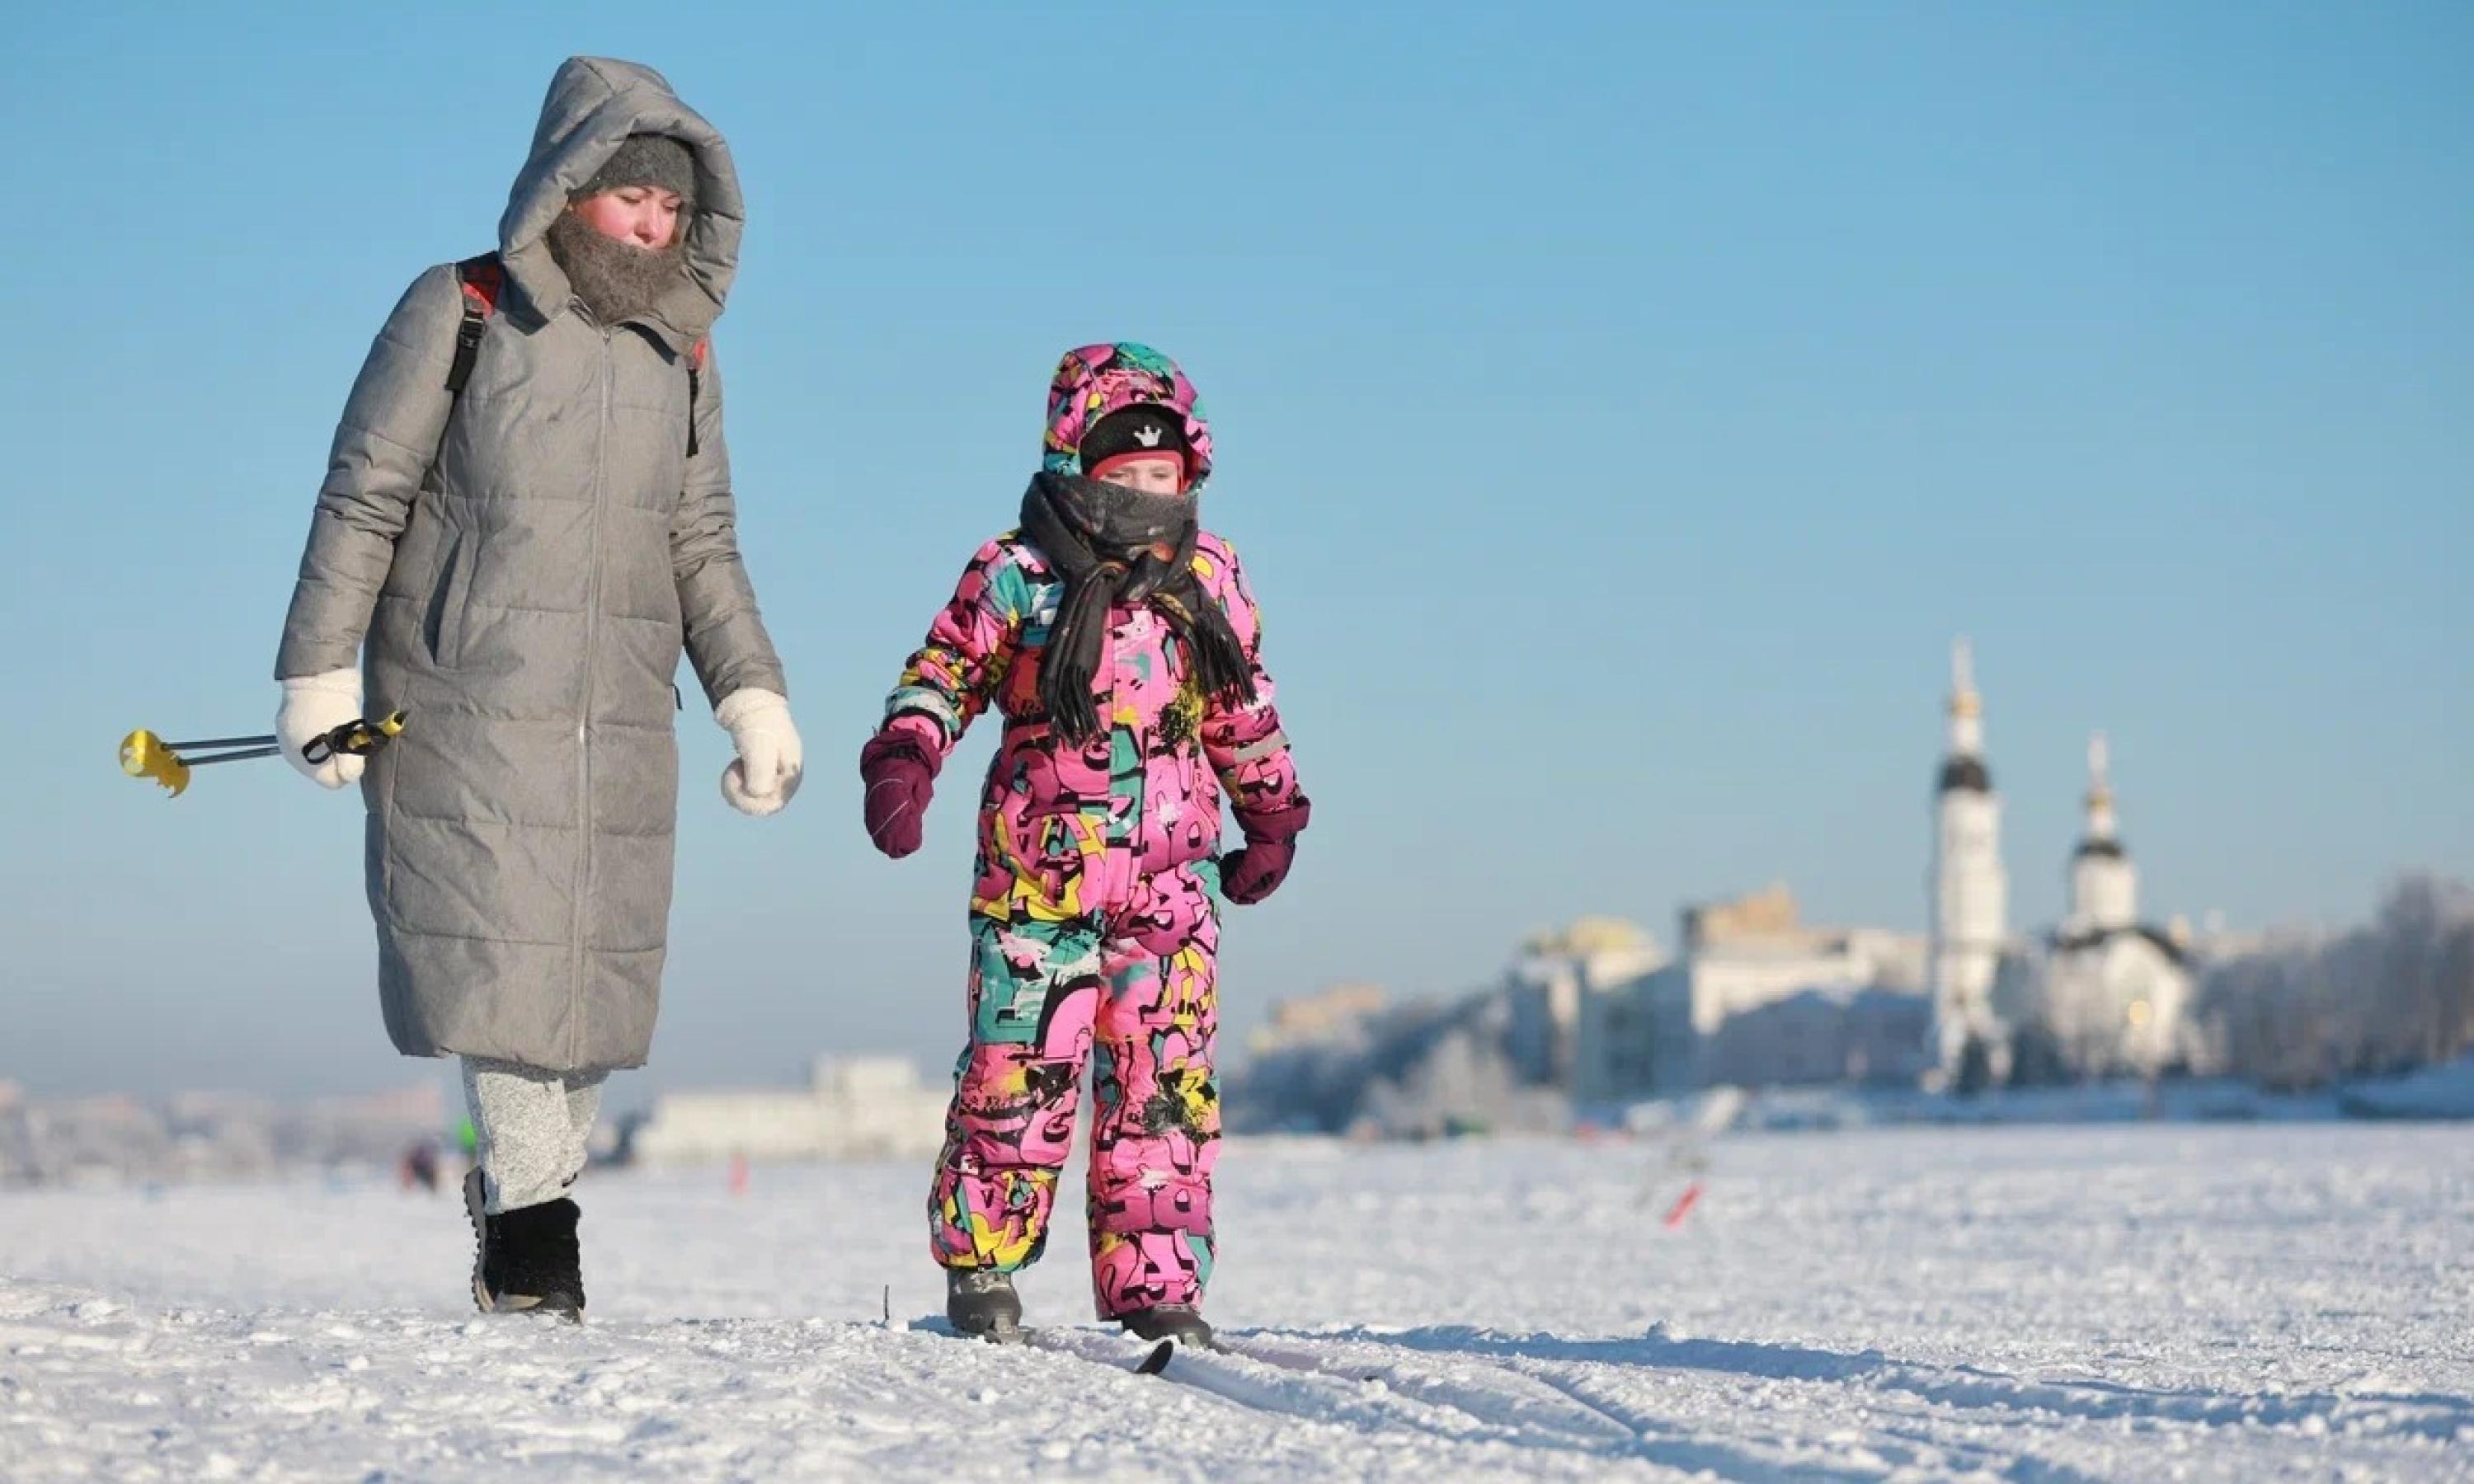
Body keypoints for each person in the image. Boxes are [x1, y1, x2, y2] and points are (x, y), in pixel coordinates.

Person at [273, 57, 801, 1321]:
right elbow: (364, 495)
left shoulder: (685, 353)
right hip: (467, 698)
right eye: (631, 197)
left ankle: (526, 1201)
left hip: (617, 716)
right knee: (504, 972)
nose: (653, 225)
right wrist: (317, 671)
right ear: (568, 188)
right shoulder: (460, 310)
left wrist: (751, 694)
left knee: (587, 991)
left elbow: (701, 543)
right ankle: (532, 1236)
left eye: (672, 207)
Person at [858, 343, 1310, 1349]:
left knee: (1164, 1087)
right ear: (1078, 469)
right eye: (1126, 474)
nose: (1148, 495)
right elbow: (945, 671)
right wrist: (906, 755)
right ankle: (985, 1267)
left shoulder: (1209, 578)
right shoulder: (1018, 572)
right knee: (1018, 1075)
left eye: (1164, 475)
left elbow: (1241, 708)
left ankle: (1158, 1284)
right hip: (1039, 882)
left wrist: (1272, 812)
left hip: (1170, 887)